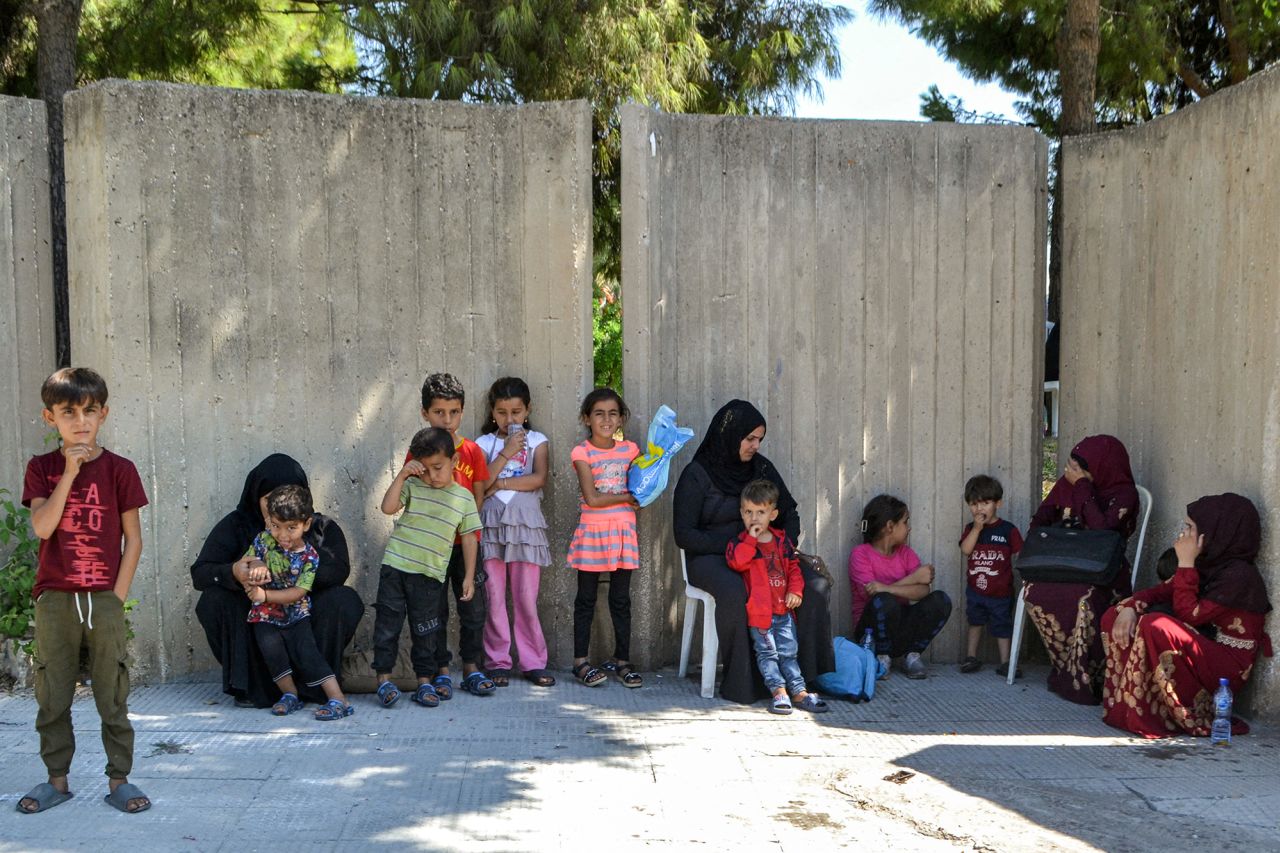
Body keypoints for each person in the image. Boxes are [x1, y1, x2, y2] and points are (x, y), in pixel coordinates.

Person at [18, 367, 150, 814]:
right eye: (68, 412)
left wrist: (116, 595)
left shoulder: (120, 470)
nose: (80, 421)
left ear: (104, 414)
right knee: (52, 692)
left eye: (89, 411)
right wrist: (70, 473)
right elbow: (42, 526)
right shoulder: (42, 468)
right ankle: (57, 779)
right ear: (49, 417)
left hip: (103, 598)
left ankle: (119, 780)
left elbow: (134, 539)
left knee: (112, 691)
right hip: (56, 597)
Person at [672, 400, 835, 704]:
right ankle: (745, 683)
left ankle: (804, 680)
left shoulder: (761, 468)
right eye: (749, 439)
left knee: (813, 585)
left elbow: (789, 511)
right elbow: (684, 535)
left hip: (765, 553)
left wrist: (784, 546)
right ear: (730, 436)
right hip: (711, 558)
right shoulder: (697, 474)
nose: (755, 446)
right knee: (737, 590)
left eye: (759, 439)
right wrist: (737, 545)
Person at [191, 454, 363, 709]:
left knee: (343, 599)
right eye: (270, 499)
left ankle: (312, 686)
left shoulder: (319, 528)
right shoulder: (237, 525)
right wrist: (235, 572)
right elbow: (201, 573)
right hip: (258, 631)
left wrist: (288, 578)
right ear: (255, 496)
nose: (279, 507)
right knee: (213, 600)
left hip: (303, 625)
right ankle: (252, 687)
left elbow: (338, 570)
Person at [1101, 493, 1272, 737]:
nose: (1184, 536)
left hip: (1225, 668)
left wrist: (1186, 564)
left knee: (1155, 625)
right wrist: (1129, 607)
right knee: (1114, 615)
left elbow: (1190, 614)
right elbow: (1158, 592)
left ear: (1216, 532)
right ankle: (1133, 706)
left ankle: (1165, 715)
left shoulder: (1239, 576)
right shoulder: (1208, 563)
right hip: (1201, 647)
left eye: (1190, 528)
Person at [1024, 434, 1138, 705]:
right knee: (1033, 591)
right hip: (1065, 564)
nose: (1071, 473)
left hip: (1104, 573)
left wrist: (1083, 488)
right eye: (1071, 466)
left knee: (1084, 599)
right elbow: (1041, 519)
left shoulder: (1124, 495)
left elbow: (1102, 533)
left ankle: (1088, 676)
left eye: (1080, 468)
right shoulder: (1068, 485)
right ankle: (1065, 667)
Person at [373, 427, 483, 708]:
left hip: (429, 575)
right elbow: (388, 508)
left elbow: (470, 538)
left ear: (454, 461)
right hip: (396, 567)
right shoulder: (413, 486)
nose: (432, 476)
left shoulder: (463, 498)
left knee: (426, 630)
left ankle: (425, 682)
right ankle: (383, 681)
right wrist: (402, 475)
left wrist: (469, 576)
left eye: (438, 467)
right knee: (388, 626)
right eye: (426, 469)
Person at [239, 485, 352, 721]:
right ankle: (290, 695)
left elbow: (299, 591)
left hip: (296, 615)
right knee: (273, 655)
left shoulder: (309, 556)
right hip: (265, 617)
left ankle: (339, 699)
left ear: (306, 524)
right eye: (276, 526)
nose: (282, 535)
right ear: (268, 520)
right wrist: (255, 566)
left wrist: (265, 596)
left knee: (307, 654)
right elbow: (246, 562)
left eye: (291, 528)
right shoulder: (263, 540)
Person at [415, 372, 495, 698]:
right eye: (438, 412)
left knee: (473, 609)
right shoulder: (418, 450)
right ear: (425, 414)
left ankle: (472, 668)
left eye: (454, 412)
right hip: (432, 546)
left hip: (467, 545)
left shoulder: (473, 452)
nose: (447, 420)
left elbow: (478, 497)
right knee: (434, 610)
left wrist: (464, 528)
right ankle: (441, 671)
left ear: (462, 412)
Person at [475, 377, 555, 687]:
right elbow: (481, 484)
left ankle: (533, 661)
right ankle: (497, 661)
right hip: (492, 526)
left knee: (525, 597)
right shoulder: (483, 444)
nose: (510, 419)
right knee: (494, 596)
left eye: (517, 412)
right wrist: (506, 453)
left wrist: (502, 484)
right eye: (502, 412)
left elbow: (538, 478)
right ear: (492, 412)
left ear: (527, 410)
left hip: (526, 527)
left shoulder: (537, 440)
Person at [726, 479, 828, 715]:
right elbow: (738, 561)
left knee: (789, 652)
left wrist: (795, 590)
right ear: (741, 513)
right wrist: (751, 539)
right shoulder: (740, 543)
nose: (754, 518)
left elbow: (793, 568)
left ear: (773, 514)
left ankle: (799, 690)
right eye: (749, 512)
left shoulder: (782, 541)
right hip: (761, 614)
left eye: (760, 512)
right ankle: (778, 692)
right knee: (768, 654)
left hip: (784, 611)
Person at [567, 388, 642, 688]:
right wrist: (626, 496)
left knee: (621, 599)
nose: (606, 419)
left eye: (613, 413)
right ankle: (580, 663)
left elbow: (643, 487)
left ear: (621, 418)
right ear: (587, 418)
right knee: (585, 599)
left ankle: (623, 661)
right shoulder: (581, 452)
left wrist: (640, 494)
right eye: (599, 413)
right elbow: (593, 498)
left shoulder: (631, 451)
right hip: (593, 533)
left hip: (623, 533)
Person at [850, 494, 952, 680]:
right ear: (890, 526)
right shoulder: (861, 554)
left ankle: (912, 656)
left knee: (940, 600)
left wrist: (887, 587)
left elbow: (923, 591)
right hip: (871, 631)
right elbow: (871, 594)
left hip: (900, 628)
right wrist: (912, 578)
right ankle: (881, 658)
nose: (909, 528)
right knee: (883, 600)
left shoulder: (906, 553)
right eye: (905, 522)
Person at [958, 475, 1023, 676]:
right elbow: (966, 550)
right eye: (974, 504)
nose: (979, 509)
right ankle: (971, 657)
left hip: (1001, 591)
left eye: (985, 503)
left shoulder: (1008, 530)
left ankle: (1006, 662)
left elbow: (1020, 554)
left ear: (998, 503)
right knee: (975, 622)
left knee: (1002, 625)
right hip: (976, 590)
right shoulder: (971, 529)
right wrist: (977, 530)